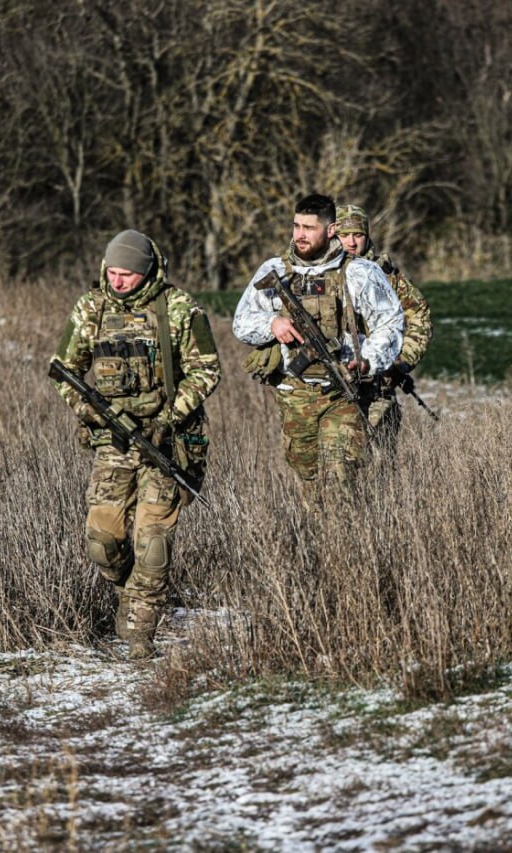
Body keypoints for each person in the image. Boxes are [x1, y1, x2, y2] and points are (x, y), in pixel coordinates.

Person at [52, 230, 221, 658]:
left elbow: (206, 370)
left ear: (146, 272)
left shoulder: (179, 309)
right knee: (101, 540)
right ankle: (133, 596)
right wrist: (90, 412)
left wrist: (168, 419)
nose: (118, 281)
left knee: (152, 540)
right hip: (113, 442)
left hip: (167, 443)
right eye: (112, 272)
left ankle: (139, 633)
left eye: (127, 273)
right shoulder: (92, 308)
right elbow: (64, 370)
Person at [233, 193, 403, 498]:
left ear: (331, 229)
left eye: (309, 228)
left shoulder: (359, 272)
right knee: (309, 484)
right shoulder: (275, 270)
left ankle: (344, 540)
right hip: (294, 394)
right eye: (296, 226)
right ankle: (318, 542)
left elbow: (390, 323)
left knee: (339, 478)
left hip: (343, 392)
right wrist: (272, 325)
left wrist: (368, 360)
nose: (300, 234)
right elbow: (242, 323)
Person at [335, 203, 434, 443]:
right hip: (333, 387)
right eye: (343, 235)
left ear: (367, 237)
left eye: (357, 235)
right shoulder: (321, 276)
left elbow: (419, 317)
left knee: (379, 461)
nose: (351, 242)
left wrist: (399, 361)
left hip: (378, 387)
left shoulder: (386, 276)